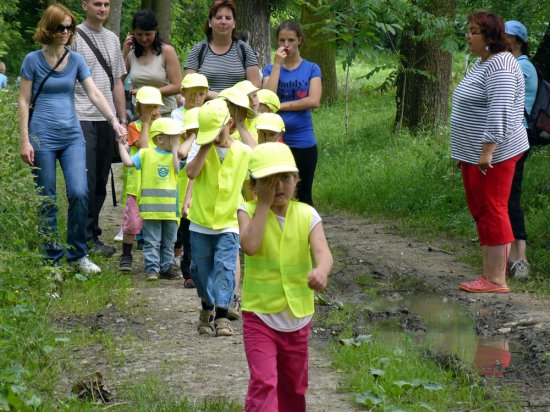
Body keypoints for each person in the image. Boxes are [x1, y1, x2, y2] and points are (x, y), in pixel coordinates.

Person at [18, 4, 124, 274]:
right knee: (48, 198)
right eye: (61, 27)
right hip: (42, 136)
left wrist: (114, 120)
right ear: (49, 29)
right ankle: (51, 260)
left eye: (69, 26)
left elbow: (95, 93)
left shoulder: (75, 60)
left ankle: (78, 254)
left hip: (72, 135)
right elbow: (23, 101)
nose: (66, 32)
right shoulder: (32, 60)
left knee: (79, 192)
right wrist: (24, 140)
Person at [238, 142, 333, 412]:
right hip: (259, 315)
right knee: (264, 382)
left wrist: (321, 272)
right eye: (267, 180)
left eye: (284, 178)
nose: (277, 186)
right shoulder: (247, 210)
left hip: (297, 317)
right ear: (253, 186)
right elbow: (251, 246)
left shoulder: (307, 214)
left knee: (293, 387)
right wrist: (263, 204)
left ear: (296, 180)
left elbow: (323, 253)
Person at [451, 12, 529, 293]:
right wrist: (464, 151)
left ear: (490, 37)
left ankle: (496, 279)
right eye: (468, 30)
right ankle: (488, 273)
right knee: (481, 210)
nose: (468, 36)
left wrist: (487, 151)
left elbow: (501, 111)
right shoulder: (483, 63)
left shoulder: (502, 66)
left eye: (474, 31)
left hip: (495, 154)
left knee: (493, 210)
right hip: (472, 153)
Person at [186, 98, 252, 336]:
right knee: (199, 270)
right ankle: (206, 308)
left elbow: (253, 182)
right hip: (200, 222)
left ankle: (222, 315)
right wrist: (204, 145)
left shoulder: (243, 151)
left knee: (225, 267)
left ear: (230, 123)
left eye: (218, 130)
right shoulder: (202, 149)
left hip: (229, 222)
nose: (215, 136)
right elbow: (191, 172)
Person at [72, 0, 128, 257]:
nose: (103, 8)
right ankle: (80, 238)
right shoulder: (73, 37)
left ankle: (92, 234)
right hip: (81, 115)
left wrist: (120, 119)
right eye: (97, 3)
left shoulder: (113, 40)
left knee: (101, 179)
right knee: (85, 177)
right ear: (85, 5)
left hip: (108, 120)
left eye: (106, 4)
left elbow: (117, 81)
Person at [263, 20, 322, 206]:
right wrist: (278, 65)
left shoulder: (311, 68)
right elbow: (267, 98)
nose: (286, 45)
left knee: (303, 194)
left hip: (303, 139)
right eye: (281, 40)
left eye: (290, 40)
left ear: (300, 41)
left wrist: (280, 106)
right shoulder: (271, 69)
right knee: (275, 193)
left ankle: (308, 233)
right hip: (274, 139)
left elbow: (313, 100)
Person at [117, 117, 183, 281]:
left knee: (169, 241)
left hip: (171, 211)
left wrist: (175, 150)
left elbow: (178, 169)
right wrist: (120, 145)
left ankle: (166, 267)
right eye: (173, 136)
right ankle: (152, 268)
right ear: (160, 139)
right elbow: (128, 162)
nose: (177, 140)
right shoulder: (146, 153)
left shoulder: (175, 156)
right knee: (152, 241)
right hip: (151, 209)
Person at [504, 20, 538, 280]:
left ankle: (521, 259)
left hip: (516, 137)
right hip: (510, 136)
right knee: (504, 197)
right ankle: (509, 256)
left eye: (505, 35)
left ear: (517, 41)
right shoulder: (513, 63)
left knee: (510, 196)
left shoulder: (521, 66)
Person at [118, 86, 163, 272]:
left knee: (156, 222)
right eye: (149, 107)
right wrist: (145, 123)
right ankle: (126, 255)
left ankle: (157, 258)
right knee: (133, 222)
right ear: (140, 108)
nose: (154, 112)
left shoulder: (162, 127)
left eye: (156, 107)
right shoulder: (134, 127)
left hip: (157, 185)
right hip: (138, 185)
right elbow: (143, 147)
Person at [184, 0, 260, 99]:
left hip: (238, 112)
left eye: (228, 18)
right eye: (218, 18)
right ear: (210, 22)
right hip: (204, 111)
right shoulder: (198, 50)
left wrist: (217, 96)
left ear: (234, 24)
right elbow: (188, 87)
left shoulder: (244, 50)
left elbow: (255, 89)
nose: (223, 22)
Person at [123, 9, 182, 116]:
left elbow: (177, 86)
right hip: (140, 116)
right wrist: (125, 51)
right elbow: (118, 80)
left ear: (156, 31)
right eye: (139, 34)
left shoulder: (167, 51)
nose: (144, 38)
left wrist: (146, 93)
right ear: (133, 34)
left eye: (148, 34)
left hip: (165, 114)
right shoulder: (131, 55)